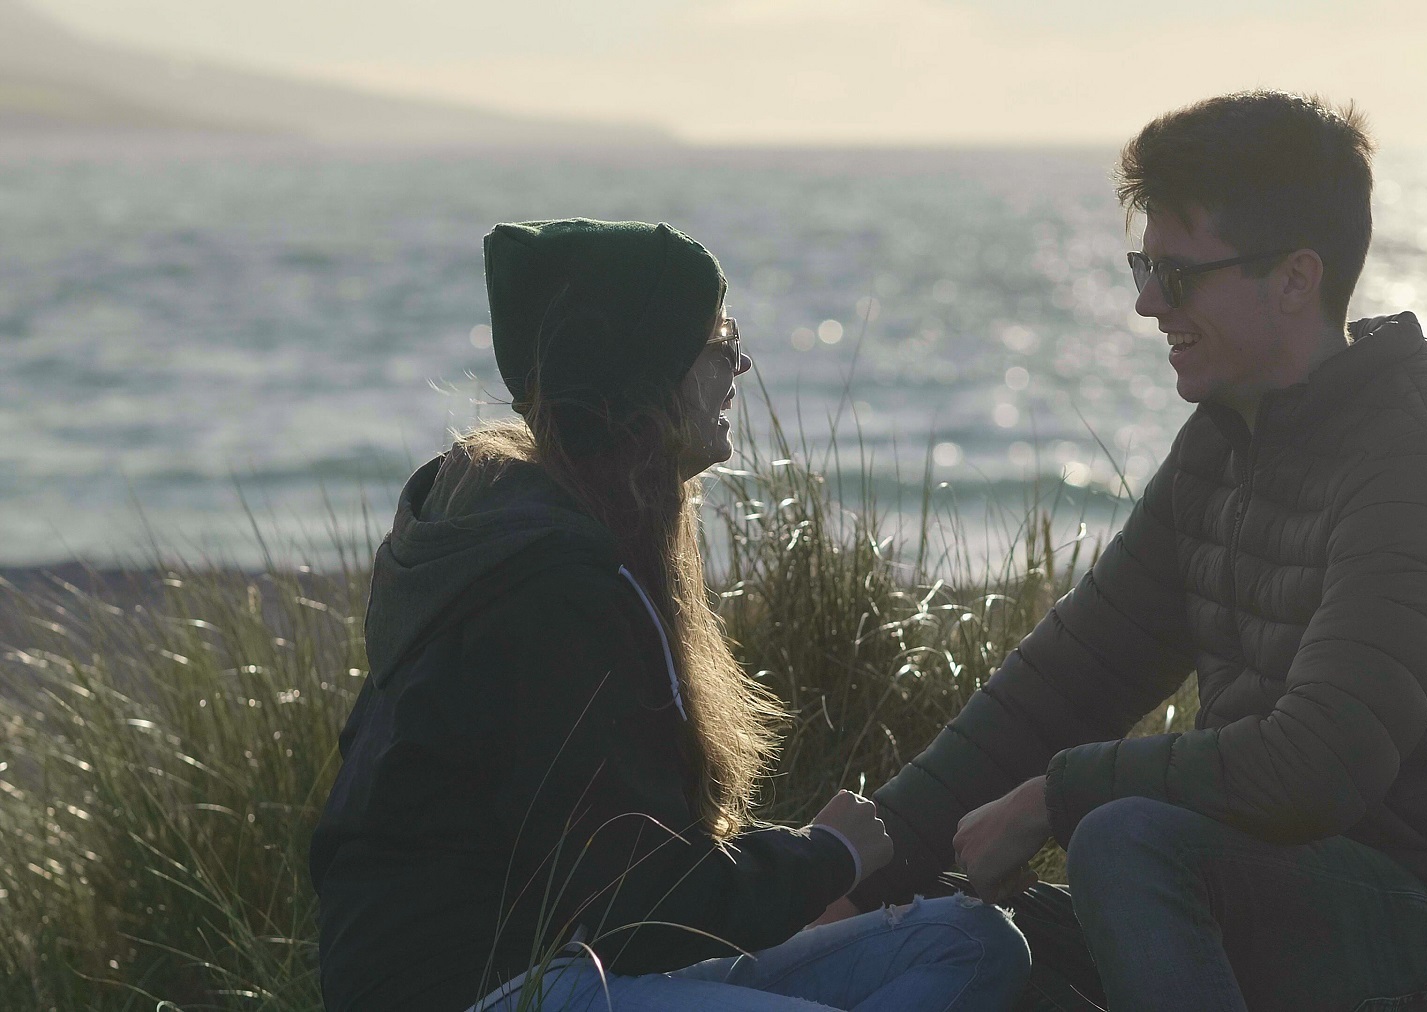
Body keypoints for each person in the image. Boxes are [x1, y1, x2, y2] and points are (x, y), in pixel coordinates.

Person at [817, 93, 1427, 1011]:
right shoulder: (1228, 441)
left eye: (1176, 276)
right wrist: (862, 865)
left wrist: (1054, 800)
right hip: (1276, 897)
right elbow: (1064, 684)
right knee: (947, 937)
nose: (1145, 303)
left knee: (1124, 840)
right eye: (1145, 266)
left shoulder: (1416, 457)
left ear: (1296, 279)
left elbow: (1316, 768)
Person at [310, 218, 1030, 1012]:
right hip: (495, 990)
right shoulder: (551, 587)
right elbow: (638, 906)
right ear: (647, 367)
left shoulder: (538, 532)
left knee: (970, 940)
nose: (739, 364)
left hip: (582, 967)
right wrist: (827, 859)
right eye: (719, 340)